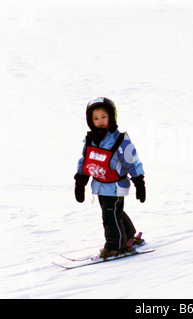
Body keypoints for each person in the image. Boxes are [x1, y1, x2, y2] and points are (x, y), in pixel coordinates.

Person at [74, 97, 146, 258]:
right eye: (95, 118)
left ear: (112, 117)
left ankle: (116, 246)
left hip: (115, 185)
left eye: (103, 117)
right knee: (114, 212)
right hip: (100, 184)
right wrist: (80, 180)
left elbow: (132, 161)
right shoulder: (91, 140)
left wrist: (139, 181)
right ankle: (128, 237)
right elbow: (86, 160)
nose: (100, 121)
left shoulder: (120, 140)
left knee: (109, 216)